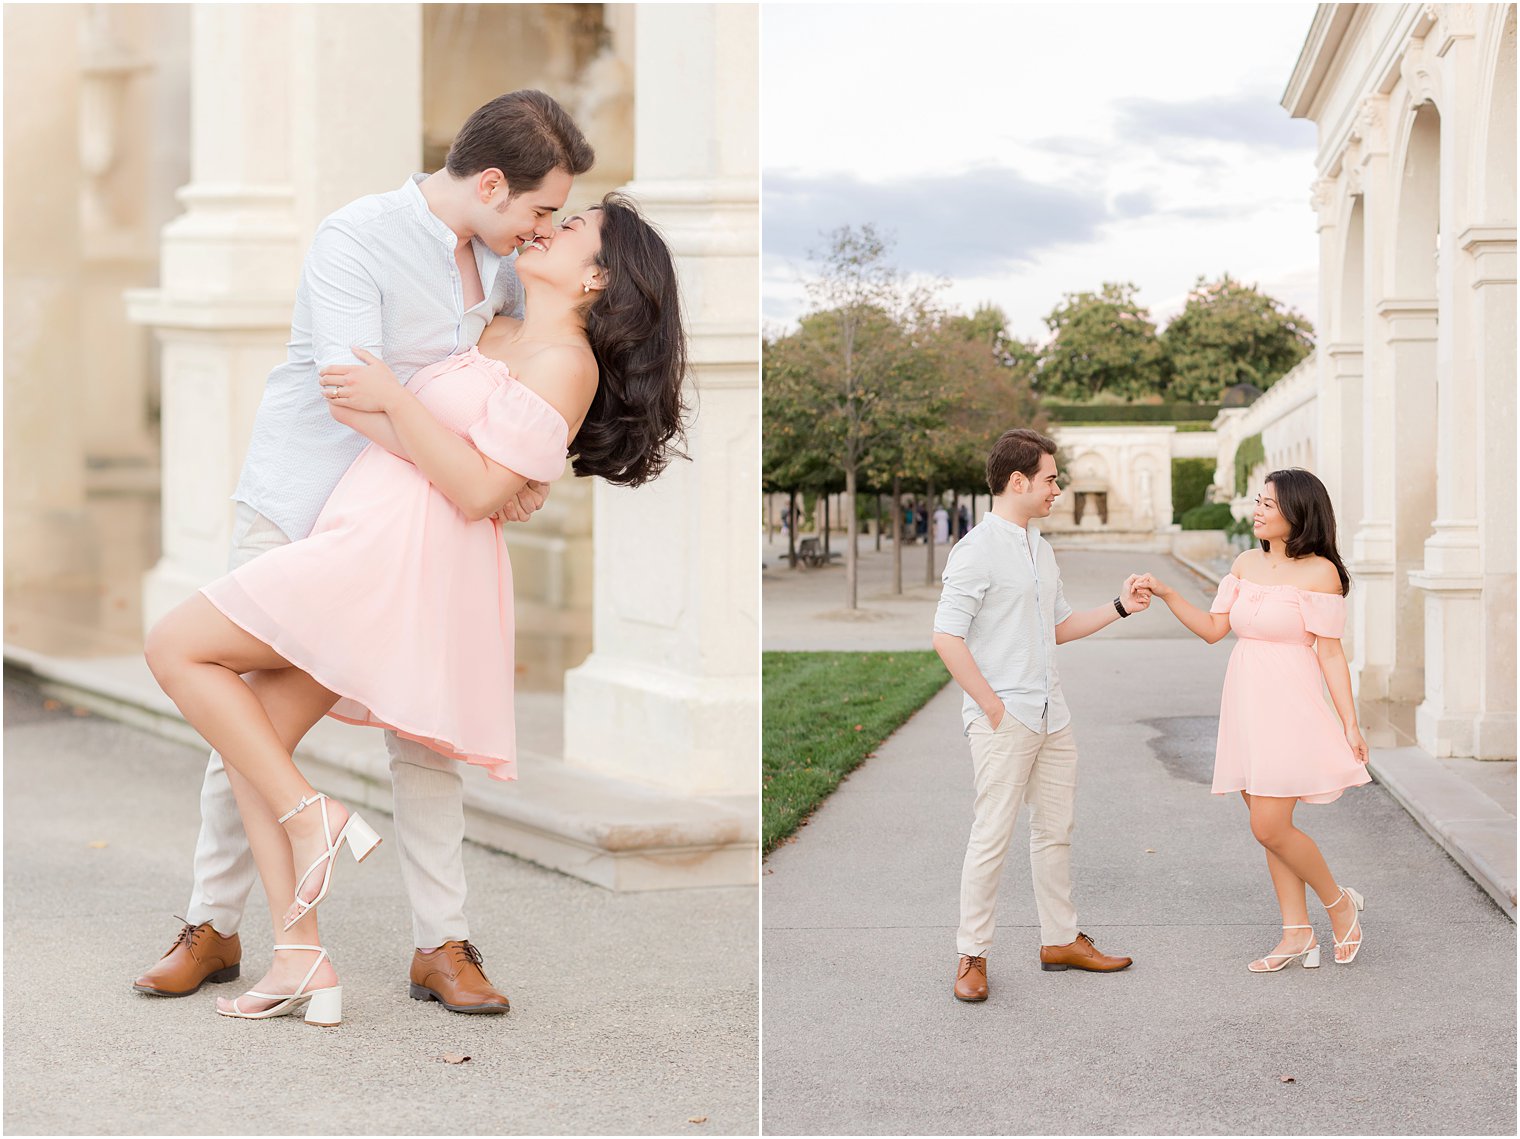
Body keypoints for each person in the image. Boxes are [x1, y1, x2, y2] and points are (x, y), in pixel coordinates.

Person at [145, 192, 687, 1026]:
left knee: (179, 647)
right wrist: (463, 451)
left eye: (572, 225)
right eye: (552, 209)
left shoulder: (566, 360)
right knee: (254, 735)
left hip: (399, 554)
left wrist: (405, 407)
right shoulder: (495, 317)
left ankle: (332, 841)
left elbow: (471, 487)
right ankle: (301, 954)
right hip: (363, 526)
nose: (552, 226)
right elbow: (460, 461)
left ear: (598, 277)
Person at [932, 428, 1148, 1003]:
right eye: (1051, 479)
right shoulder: (975, 550)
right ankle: (971, 955)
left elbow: (1057, 628)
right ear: (1019, 481)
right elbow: (946, 636)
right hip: (1007, 718)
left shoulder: (1041, 549)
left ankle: (1060, 940)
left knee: (1055, 833)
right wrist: (993, 706)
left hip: (1054, 715)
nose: (1059, 489)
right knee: (992, 837)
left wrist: (1122, 606)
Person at [1137, 468, 1370, 971]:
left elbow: (1330, 655)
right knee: (1268, 824)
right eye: (1258, 502)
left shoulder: (1321, 573)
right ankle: (1295, 933)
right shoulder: (1244, 563)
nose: (1257, 510)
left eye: (1268, 503)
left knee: (1269, 825)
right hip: (1246, 704)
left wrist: (1350, 722)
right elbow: (1213, 629)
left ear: (1297, 512)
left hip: (1291, 705)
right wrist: (1167, 593)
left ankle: (1338, 903)